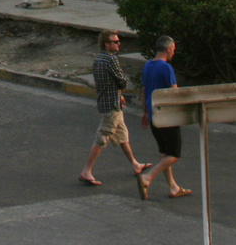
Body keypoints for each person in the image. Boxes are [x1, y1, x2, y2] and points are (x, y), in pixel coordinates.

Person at [79, 30, 150, 186]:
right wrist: (119, 92)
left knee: (122, 134)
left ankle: (135, 164)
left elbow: (103, 82)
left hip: (107, 100)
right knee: (102, 137)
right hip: (112, 105)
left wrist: (118, 95)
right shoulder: (111, 59)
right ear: (107, 44)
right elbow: (122, 81)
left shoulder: (98, 58)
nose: (118, 44)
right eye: (115, 41)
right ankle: (87, 170)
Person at [138, 35, 190, 200]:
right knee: (174, 153)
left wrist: (145, 112)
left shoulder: (147, 66)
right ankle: (147, 177)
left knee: (164, 152)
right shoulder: (166, 68)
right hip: (167, 116)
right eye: (173, 49)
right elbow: (174, 92)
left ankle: (173, 187)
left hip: (154, 116)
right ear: (168, 49)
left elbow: (144, 91)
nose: (173, 52)